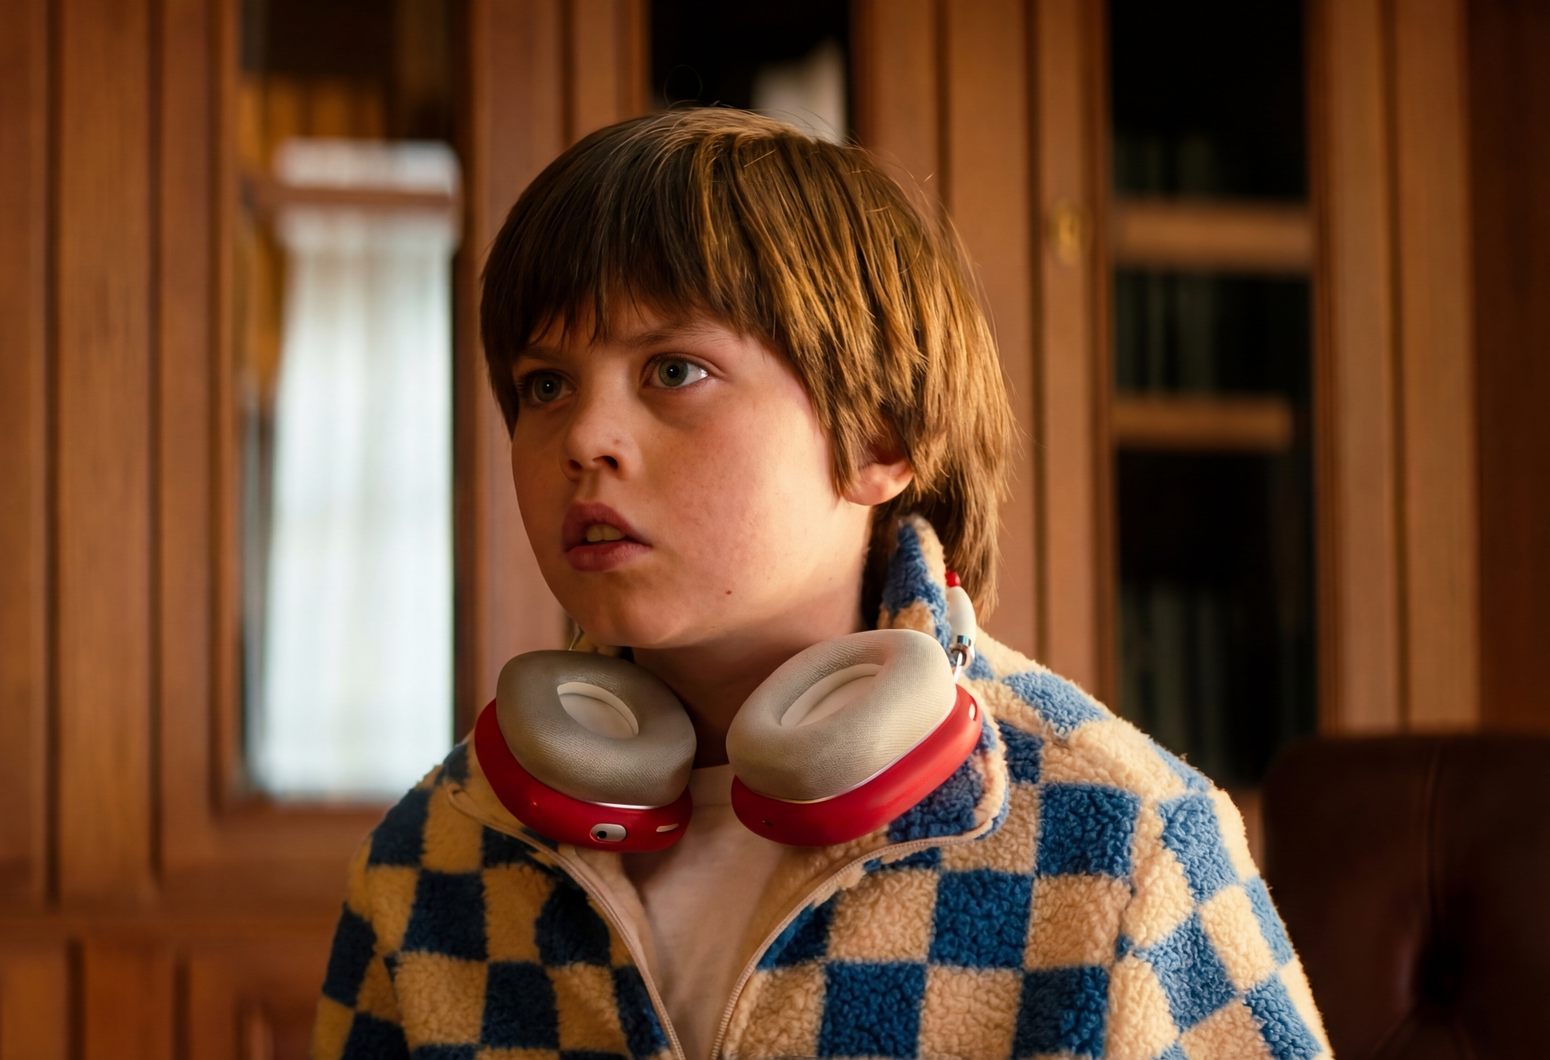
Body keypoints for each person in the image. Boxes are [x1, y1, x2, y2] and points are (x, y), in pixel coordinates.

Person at [310, 109, 1329, 1060]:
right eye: (545, 385)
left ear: (878, 436)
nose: (585, 437)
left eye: (673, 370)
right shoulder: (433, 860)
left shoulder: (1122, 844)